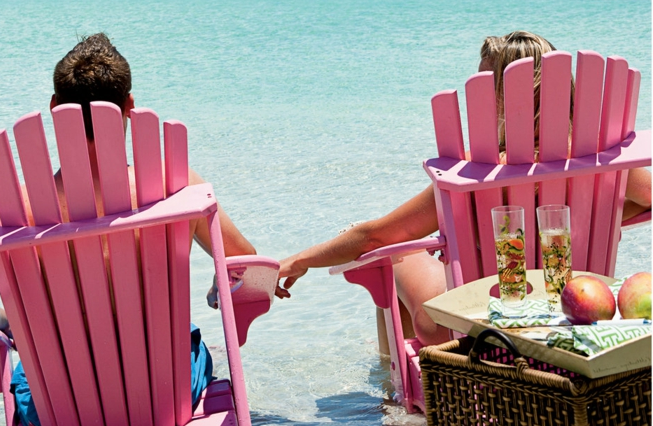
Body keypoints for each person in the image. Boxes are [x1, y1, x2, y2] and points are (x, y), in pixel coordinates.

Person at [277, 31, 652, 349]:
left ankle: (399, 391)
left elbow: (373, 237)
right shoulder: (608, 163)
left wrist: (296, 260)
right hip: (576, 314)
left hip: (467, 327)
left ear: (507, 100)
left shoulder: (477, 172)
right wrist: (604, 214)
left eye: (484, 88)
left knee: (388, 256)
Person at [0, 33, 259, 426]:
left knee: (26, 374)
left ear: (55, 110)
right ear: (130, 108)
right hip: (167, 399)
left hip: (59, 411)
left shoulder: (12, 212)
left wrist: (2, 319)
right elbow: (249, 266)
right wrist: (219, 283)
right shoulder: (175, 186)